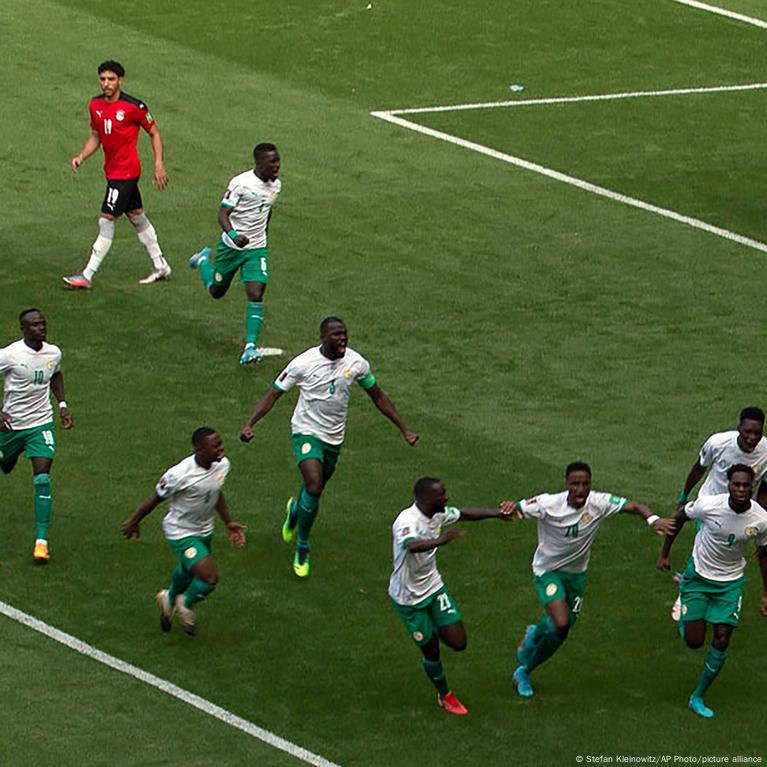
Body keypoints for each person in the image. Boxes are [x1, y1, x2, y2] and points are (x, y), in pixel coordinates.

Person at [240, 316, 419, 577]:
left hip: (334, 437)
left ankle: (295, 510)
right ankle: (303, 546)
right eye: (336, 335)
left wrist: (404, 429)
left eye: (344, 333)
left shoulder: (356, 363)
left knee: (314, 491)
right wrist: (250, 423)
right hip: (306, 432)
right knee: (313, 484)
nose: (342, 338)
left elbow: (378, 396)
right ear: (323, 337)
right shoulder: (303, 364)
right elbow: (273, 394)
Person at [505, 462, 675, 698]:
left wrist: (652, 519)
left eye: (585, 483)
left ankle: (529, 654)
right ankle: (528, 654)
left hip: (576, 576)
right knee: (561, 623)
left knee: (561, 631)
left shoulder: (599, 502)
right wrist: (509, 508)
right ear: (566, 484)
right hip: (548, 572)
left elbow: (634, 506)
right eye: (575, 483)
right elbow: (516, 509)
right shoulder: (548, 504)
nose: (580, 489)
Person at [389, 477, 513, 715]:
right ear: (426, 499)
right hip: (408, 598)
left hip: (434, 588)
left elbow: (465, 513)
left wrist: (497, 514)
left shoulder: (438, 513)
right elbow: (411, 545)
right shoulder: (406, 520)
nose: (447, 497)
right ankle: (445, 694)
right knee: (432, 651)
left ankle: (431, 628)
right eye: (442, 494)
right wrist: (441, 540)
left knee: (459, 642)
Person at [657, 464, 767, 718]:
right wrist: (665, 553)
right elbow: (680, 517)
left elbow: (763, 553)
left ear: (752, 488)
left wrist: (765, 592)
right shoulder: (708, 505)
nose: (741, 489)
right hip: (699, 576)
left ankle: (697, 696)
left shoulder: (761, 519)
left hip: (730, 583)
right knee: (694, 642)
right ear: (728, 485)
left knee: (722, 639)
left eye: (746, 485)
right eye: (736, 484)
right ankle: (685, 594)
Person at [121, 428, 246, 635]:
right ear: (199, 449)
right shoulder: (179, 475)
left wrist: (228, 522)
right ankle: (185, 603)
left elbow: (216, 493)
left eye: (220, 443)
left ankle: (168, 598)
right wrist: (134, 521)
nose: (221, 448)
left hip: (205, 529)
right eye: (215, 445)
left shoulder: (222, 465)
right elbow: (155, 499)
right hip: (181, 532)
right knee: (209, 578)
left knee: (189, 570)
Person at [64, 60, 171, 289]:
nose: (106, 84)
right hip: (113, 171)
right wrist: (81, 156)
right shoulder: (95, 105)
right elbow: (97, 136)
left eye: (111, 79)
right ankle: (160, 265)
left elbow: (154, 133)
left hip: (126, 173)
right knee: (137, 216)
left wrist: (158, 163)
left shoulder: (135, 107)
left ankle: (87, 274)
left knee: (106, 220)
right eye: (103, 79)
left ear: (120, 80)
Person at [667, 406, 767, 620]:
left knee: (729, 551)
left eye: (757, 433)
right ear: (739, 427)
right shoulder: (718, 443)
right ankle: (688, 588)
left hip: (742, 510)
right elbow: (699, 468)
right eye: (747, 432)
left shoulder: (766, 452)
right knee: (705, 547)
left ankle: (715, 592)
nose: (752, 438)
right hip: (711, 507)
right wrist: (684, 497)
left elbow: (764, 489)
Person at [188, 143, 281, 365]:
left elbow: (267, 212)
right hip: (231, 247)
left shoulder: (276, 185)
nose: (277, 166)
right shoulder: (240, 184)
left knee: (256, 293)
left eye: (278, 160)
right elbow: (223, 213)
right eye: (272, 162)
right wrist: (234, 234)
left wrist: (263, 238)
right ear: (259, 163)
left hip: (256, 249)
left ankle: (250, 348)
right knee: (216, 291)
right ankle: (203, 261)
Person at [0, 309, 73, 562]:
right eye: (34, 325)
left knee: (42, 478)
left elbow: (56, 374)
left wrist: (62, 405)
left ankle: (41, 542)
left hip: (40, 425)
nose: (41, 328)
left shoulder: (53, 353)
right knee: (5, 464)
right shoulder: (10, 355)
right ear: (23, 329)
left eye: (43, 323)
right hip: (10, 427)